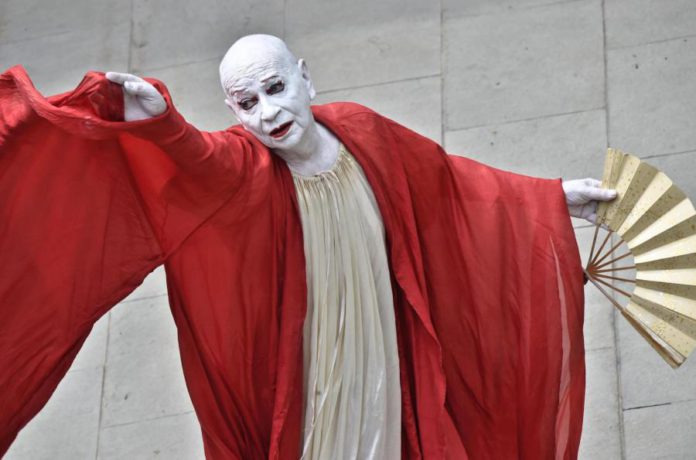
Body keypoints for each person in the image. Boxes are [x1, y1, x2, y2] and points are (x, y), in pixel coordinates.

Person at [0, 34, 614, 459]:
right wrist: (165, 123)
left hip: (385, 344)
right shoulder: (248, 169)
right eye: (248, 103)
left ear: (304, 76)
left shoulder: (366, 133)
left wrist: (554, 198)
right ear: (234, 110)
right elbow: (202, 160)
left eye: (275, 87)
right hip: (316, 364)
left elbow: (452, 187)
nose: (269, 113)